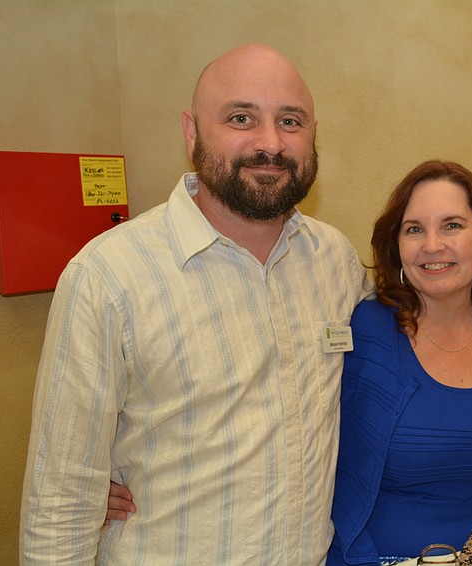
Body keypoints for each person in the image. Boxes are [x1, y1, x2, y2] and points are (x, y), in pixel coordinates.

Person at [19, 44, 373, 565]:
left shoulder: (335, 261)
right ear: (192, 133)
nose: (270, 142)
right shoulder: (108, 277)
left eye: (290, 121)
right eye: (241, 118)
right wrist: (90, 493)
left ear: (313, 134)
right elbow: (60, 500)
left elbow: (411, 341)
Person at [327, 160, 472, 565]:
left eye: (452, 225)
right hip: (382, 558)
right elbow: (332, 469)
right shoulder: (363, 330)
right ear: (397, 246)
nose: (432, 245)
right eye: (414, 229)